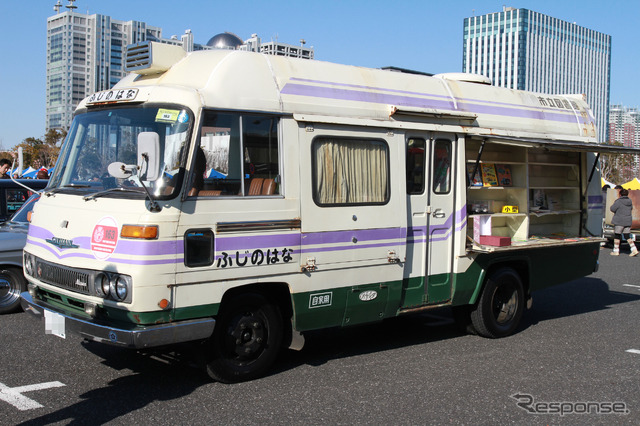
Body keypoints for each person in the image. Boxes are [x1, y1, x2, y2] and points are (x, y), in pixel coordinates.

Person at [610, 188, 639, 256]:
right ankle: (634, 249)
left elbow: (612, 208)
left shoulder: (618, 201)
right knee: (627, 236)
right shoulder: (629, 201)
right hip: (627, 221)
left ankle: (616, 251)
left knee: (617, 235)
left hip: (619, 220)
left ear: (620, 194)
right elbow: (631, 208)